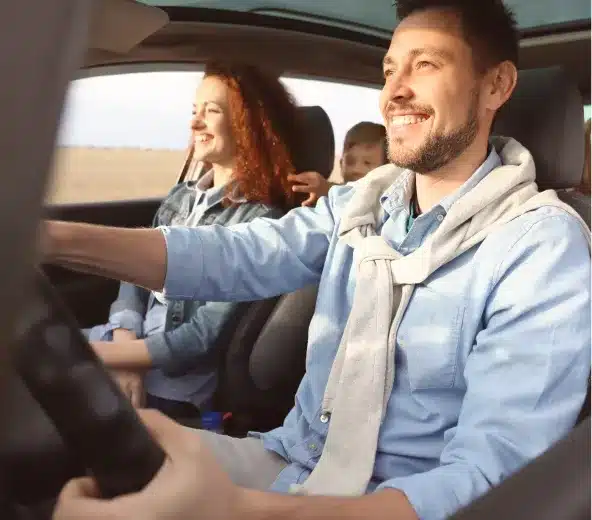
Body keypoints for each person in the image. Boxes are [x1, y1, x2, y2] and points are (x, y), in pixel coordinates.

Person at [47, 0, 591, 519]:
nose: (394, 93)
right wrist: (47, 238)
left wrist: (243, 513)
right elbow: (233, 255)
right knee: (71, 446)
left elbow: (487, 480)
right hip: (291, 459)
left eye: (425, 65)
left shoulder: (540, 249)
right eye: (388, 70)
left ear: (496, 85)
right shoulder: (362, 203)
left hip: (389, 500)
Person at [85, 61, 302, 423]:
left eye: (211, 111)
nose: (194, 123)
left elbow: (200, 339)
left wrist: (103, 357)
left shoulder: (261, 224)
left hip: (171, 385)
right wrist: (124, 350)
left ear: (249, 125)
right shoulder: (180, 197)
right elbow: (133, 276)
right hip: (125, 348)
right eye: (194, 110)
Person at [290, 121, 388, 206]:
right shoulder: (325, 196)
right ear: (341, 164)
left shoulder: (387, 198)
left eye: (367, 163)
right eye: (350, 162)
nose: (356, 170)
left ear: (387, 169)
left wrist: (328, 189)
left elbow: (365, 197)